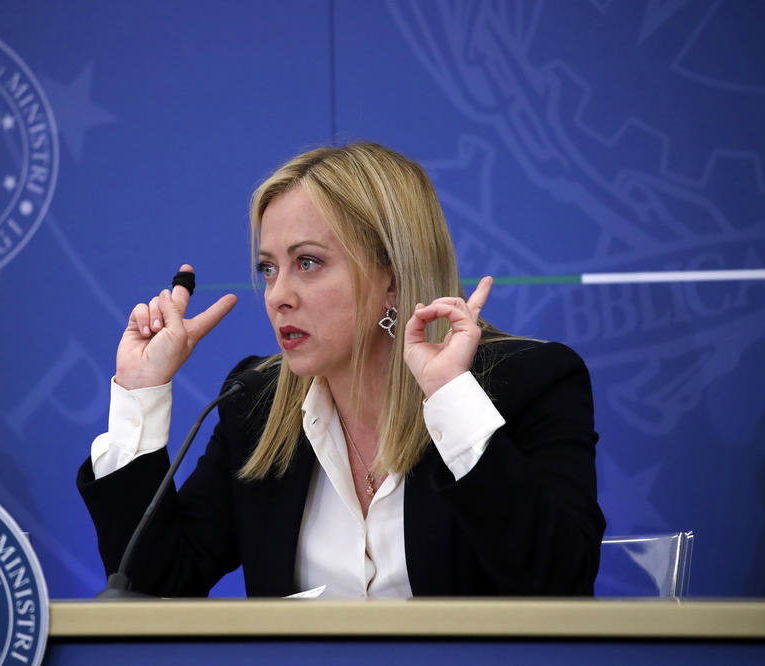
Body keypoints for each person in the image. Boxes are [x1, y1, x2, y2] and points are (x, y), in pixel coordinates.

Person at [77, 142, 605, 597]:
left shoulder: (530, 384)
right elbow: (155, 585)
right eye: (268, 268)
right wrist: (139, 394)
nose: (278, 296)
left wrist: (451, 399)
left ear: (393, 279)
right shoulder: (255, 405)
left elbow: (560, 585)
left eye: (308, 262)